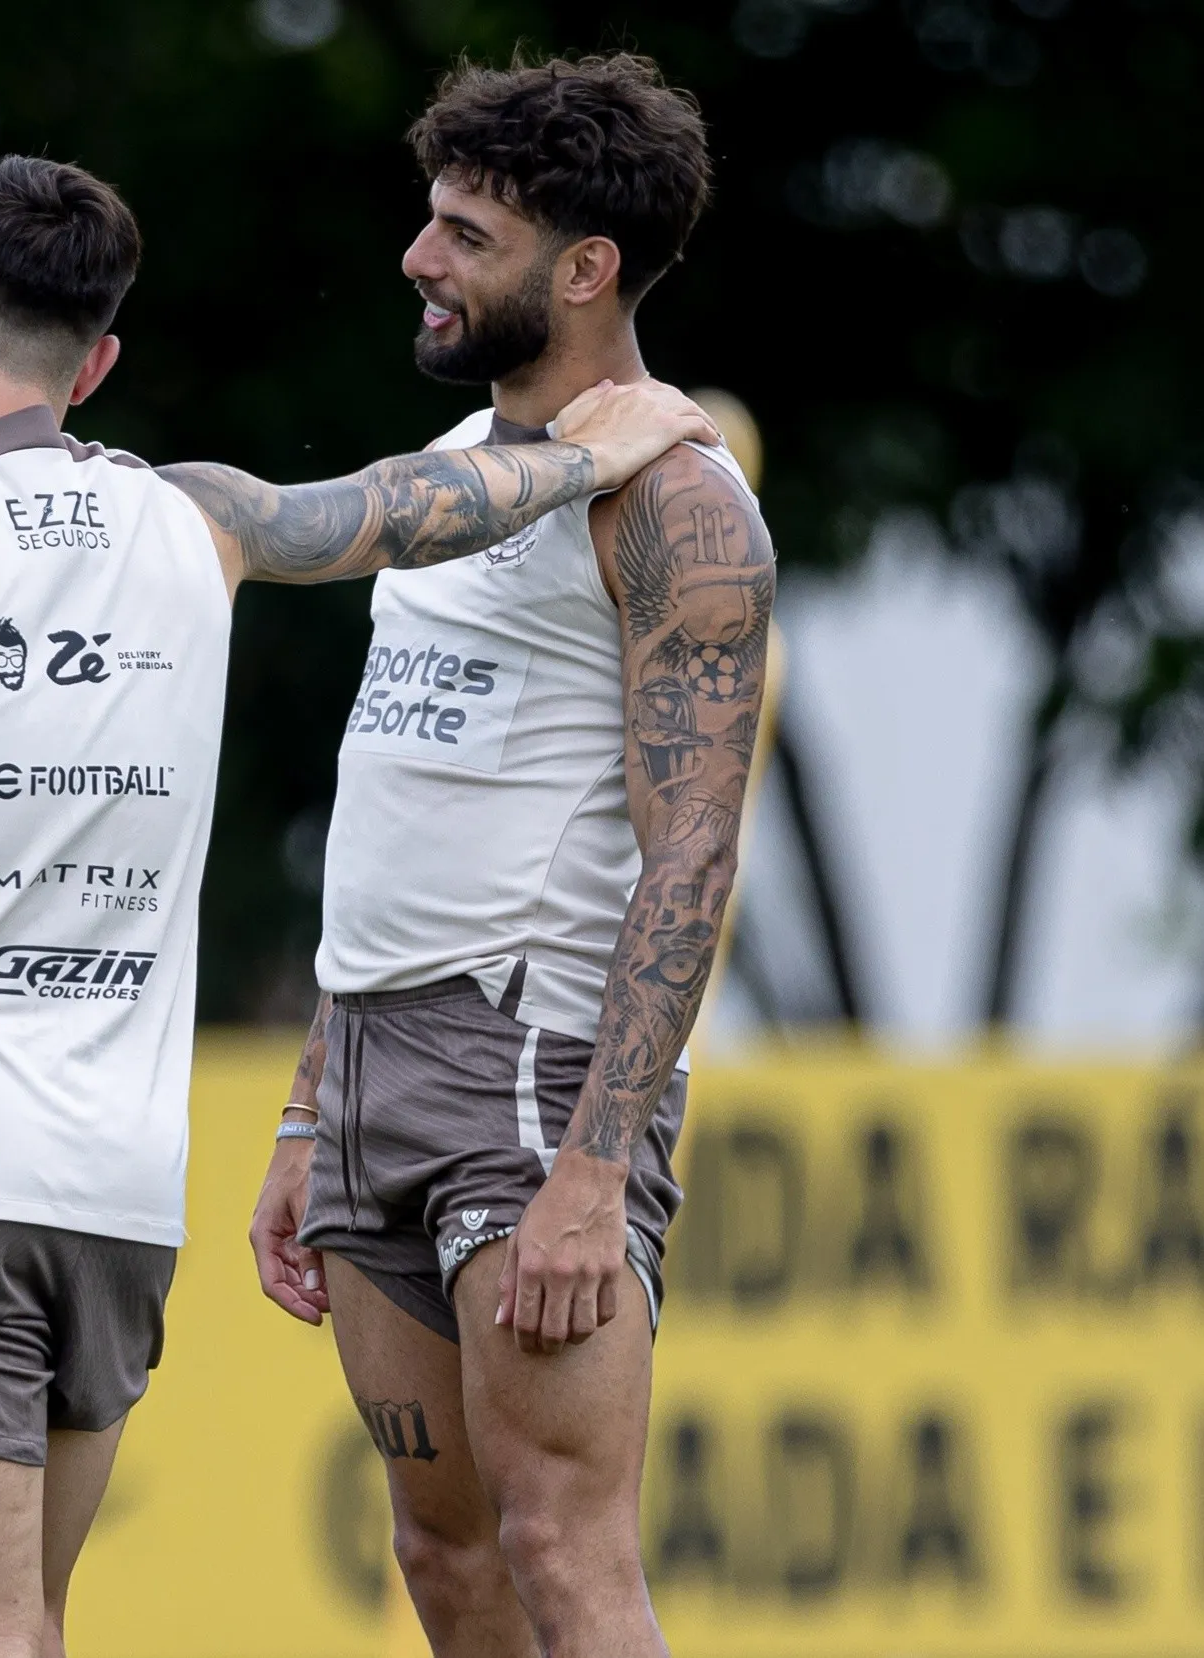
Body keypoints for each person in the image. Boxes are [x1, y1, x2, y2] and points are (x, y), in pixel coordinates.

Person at [0, 153, 715, 1658]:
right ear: (102, 359)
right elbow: (412, 503)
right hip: (112, 1198)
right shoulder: (198, 522)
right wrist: (600, 445)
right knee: (30, 1619)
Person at [247, 53, 773, 1658]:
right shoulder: (467, 475)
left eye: (463, 232)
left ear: (583, 268)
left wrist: (595, 1167)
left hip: (532, 1073)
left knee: (562, 1545)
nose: (419, 255)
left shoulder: (678, 504)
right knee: (443, 1552)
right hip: (370, 1064)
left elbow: (693, 854)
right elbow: (402, 801)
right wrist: (304, 1099)